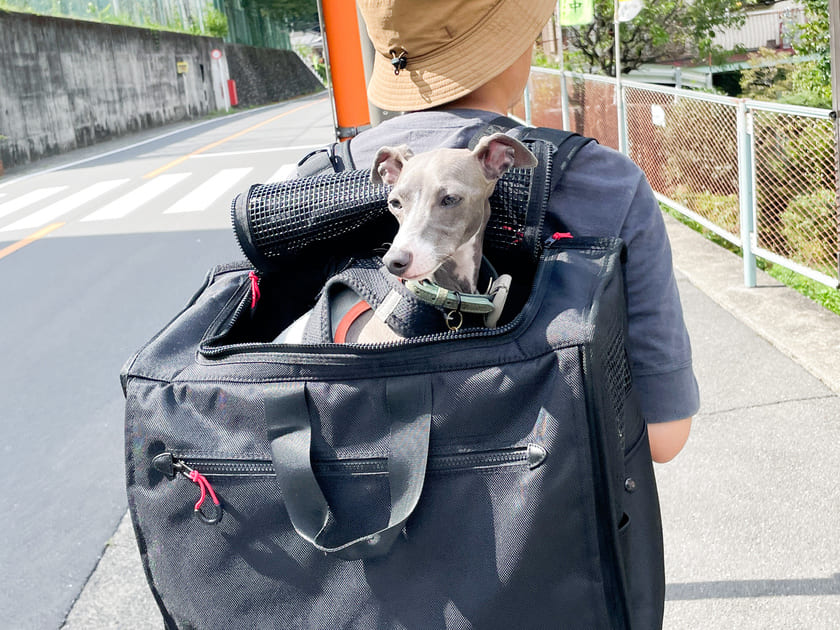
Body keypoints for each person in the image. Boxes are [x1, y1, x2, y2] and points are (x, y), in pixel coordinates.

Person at [338, 0, 698, 463]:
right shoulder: (606, 183)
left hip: (355, 516)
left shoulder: (308, 183)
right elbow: (663, 438)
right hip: (540, 513)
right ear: (508, 46)